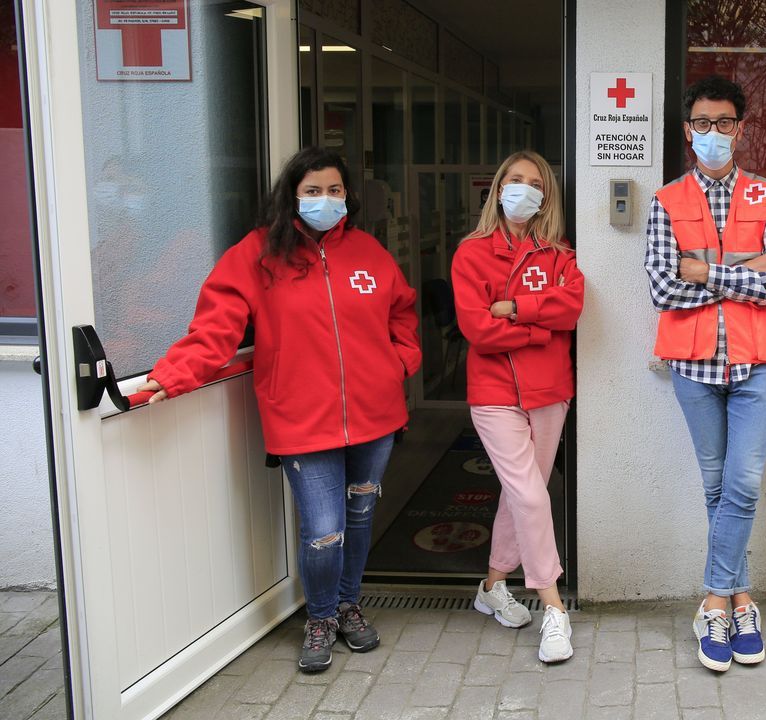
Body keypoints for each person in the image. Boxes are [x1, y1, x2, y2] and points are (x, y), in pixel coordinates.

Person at [138, 147, 421, 673]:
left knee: (359, 517)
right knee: (323, 528)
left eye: (334, 190)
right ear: (291, 194)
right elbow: (215, 327)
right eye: (313, 190)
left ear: (348, 196)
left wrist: (399, 362)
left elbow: (401, 312)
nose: (325, 200)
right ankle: (318, 617)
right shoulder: (257, 254)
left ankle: (347, 604)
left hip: (375, 416)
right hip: (299, 420)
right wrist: (173, 375)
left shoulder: (368, 252)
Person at [644, 75, 766, 672]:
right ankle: (740, 595)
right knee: (717, 486)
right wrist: (745, 268)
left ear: (741, 128)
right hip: (693, 365)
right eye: (702, 124)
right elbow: (662, 288)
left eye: (725, 123)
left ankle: (712, 598)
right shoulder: (666, 201)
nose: (713, 134)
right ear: (688, 133)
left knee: (744, 482)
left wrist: (706, 272)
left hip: (760, 364)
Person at [452, 150, 584, 664]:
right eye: (514, 179)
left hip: (550, 391)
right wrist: (539, 326)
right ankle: (553, 606)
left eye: (534, 182)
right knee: (531, 495)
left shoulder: (558, 253)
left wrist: (515, 309)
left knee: (518, 492)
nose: (523, 189)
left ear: (545, 196)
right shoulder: (472, 253)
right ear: (497, 187)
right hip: (494, 394)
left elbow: (571, 308)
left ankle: (491, 586)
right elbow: (477, 330)